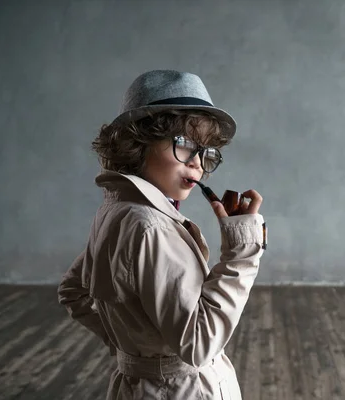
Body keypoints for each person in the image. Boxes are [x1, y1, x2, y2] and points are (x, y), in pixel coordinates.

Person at [57, 70, 266, 399]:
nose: (197, 162)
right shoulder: (148, 226)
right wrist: (242, 253)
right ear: (137, 143)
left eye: (205, 152)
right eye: (184, 143)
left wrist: (135, 348)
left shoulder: (117, 212)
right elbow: (198, 345)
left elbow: (72, 290)